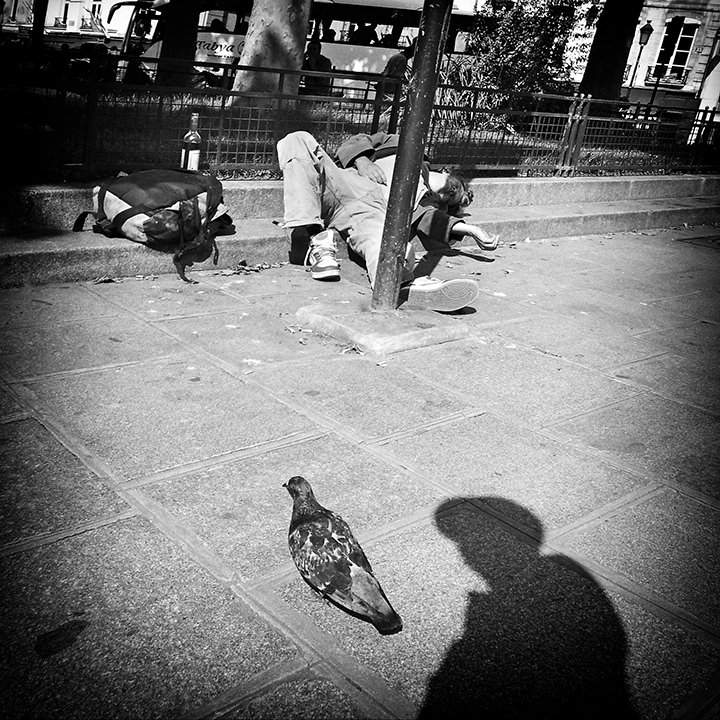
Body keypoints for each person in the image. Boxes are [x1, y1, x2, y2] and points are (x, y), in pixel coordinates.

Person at [276, 131, 499, 313]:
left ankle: (402, 283)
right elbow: (355, 141)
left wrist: (469, 228)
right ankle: (312, 234)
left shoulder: (423, 199)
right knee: (296, 138)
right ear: (447, 173)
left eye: (451, 199)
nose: (448, 193)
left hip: (371, 211)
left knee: (384, 243)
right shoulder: (405, 146)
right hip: (343, 182)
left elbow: (431, 220)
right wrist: (362, 160)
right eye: (455, 187)